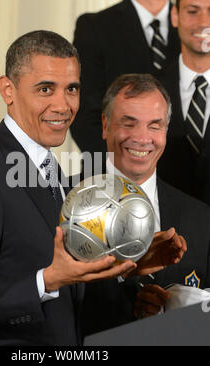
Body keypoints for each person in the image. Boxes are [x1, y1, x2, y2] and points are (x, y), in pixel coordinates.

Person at [0, 31, 186, 346]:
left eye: (71, 89)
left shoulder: (51, 169)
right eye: (45, 89)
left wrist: (125, 267)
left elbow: (66, 281)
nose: (63, 105)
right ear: (8, 90)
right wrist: (45, 280)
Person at [82, 73, 210, 332]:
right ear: (106, 125)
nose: (142, 138)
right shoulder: (64, 198)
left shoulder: (200, 217)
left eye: (154, 125)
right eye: (129, 124)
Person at [70, 0, 180, 161]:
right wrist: (124, 166)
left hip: (187, 177)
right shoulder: (95, 26)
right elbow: (84, 114)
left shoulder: (196, 21)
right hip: (110, 171)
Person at [157, 0, 210, 205]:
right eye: (193, 11)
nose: (204, 21)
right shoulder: (150, 87)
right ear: (175, 16)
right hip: (165, 228)